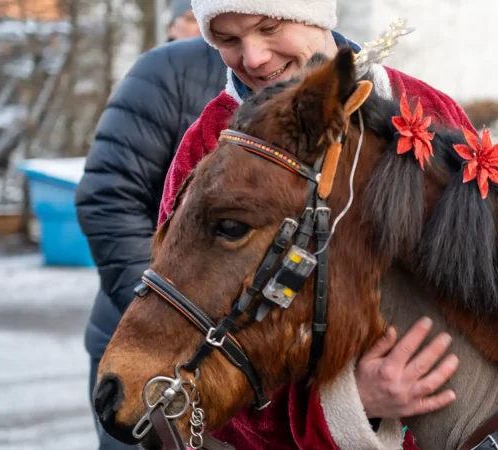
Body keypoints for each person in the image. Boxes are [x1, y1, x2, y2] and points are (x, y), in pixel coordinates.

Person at [157, 0, 478, 447]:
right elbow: (185, 355)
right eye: (228, 40)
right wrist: (351, 403)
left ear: (316, 15)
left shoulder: (423, 108)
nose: (253, 58)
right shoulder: (208, 148)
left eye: (268, 26)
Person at [75, 3, 227, 448]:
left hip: (249, 361)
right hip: (144, 346)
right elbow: (109, 197)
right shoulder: (169, 71)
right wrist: (168, 318)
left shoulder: (331, 74)